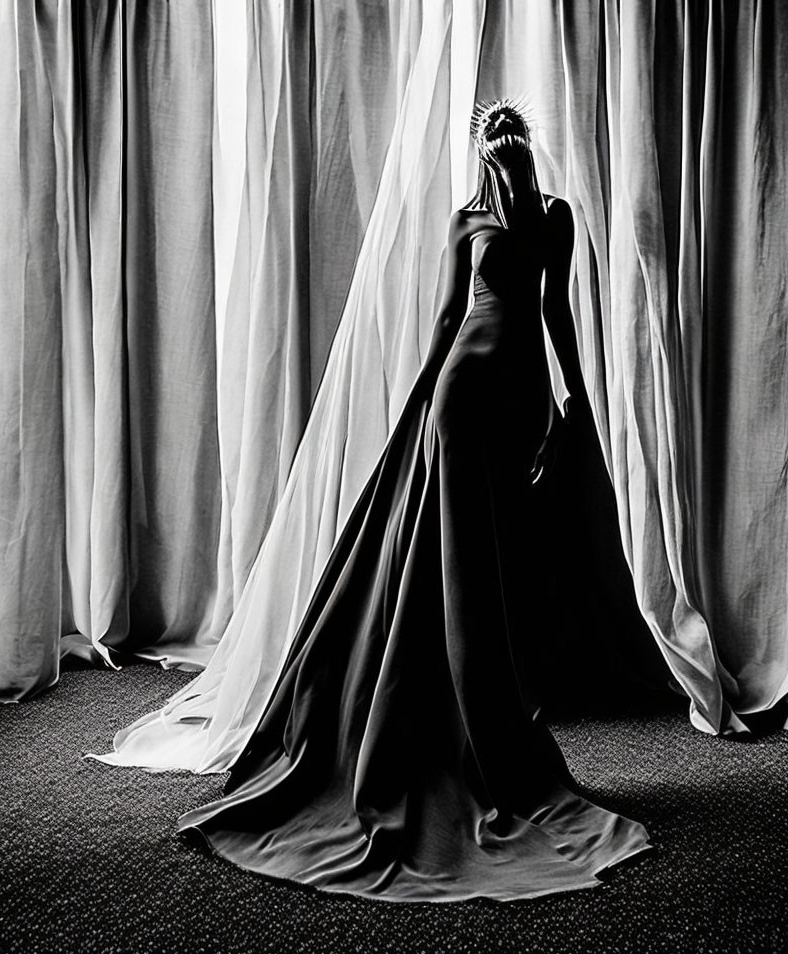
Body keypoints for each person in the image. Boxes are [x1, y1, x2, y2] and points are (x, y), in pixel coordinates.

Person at [175, 100, 651, 902]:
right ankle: (456, 725)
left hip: (520, 395)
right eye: (496, 157)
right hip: (463, 395)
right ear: (486, 158)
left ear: (521, 155)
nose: (501, 167)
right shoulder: (467, 221)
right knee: (460, 556)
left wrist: (574, 402)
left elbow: (556, 313)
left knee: (503, 556)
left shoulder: (555, 219)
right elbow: (444, 320)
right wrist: (418, 402)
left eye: (509, 156)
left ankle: (490, 710)